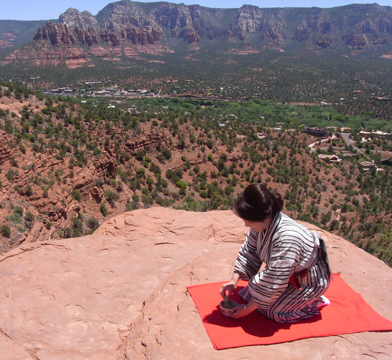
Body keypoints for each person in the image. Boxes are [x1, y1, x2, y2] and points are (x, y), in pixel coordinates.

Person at [220, 183, 332, 323]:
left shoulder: (288, 237)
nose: (246, 225)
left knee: (273, 311)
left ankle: (312, 302)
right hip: (285, 274)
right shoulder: (261, 225)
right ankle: (285, 297)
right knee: (248, 294)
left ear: (260, 216)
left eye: (248, 221)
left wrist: (246, 310)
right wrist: (233, 281)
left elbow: (275, 279)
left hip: (308, 280)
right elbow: (249, 253)